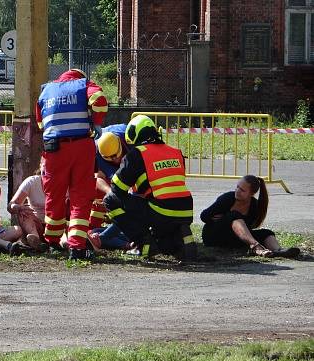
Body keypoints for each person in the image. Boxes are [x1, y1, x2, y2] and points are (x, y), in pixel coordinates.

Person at [35, 68, 108, 260]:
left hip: (53, 149)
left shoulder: (47, 90)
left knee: (54, 195)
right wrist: (97, 121)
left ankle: (52, 241)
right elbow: (99, 99)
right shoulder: (83, 85)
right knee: (81, 196)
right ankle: (76, 247)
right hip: (81, 146)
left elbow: (40, 122)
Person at [103, 115, 197, 261]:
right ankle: (180, 239)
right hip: (185, 211)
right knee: (166, 245)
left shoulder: (137, 154)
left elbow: (116, 188)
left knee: (110, 200)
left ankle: (143, 243)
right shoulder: (176, 152)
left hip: (159, 211)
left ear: (135, 135)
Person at [200, 175, 300, 258]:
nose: (237, 191)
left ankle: (278, 251)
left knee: (266, 233)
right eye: (237, 187)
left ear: (252, 193)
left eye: (242, 190)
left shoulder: (254, 206)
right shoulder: (227, 198)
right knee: (234, 215)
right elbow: (204, 216)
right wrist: (223, 219)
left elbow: (248, 228)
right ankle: (256, 247)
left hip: (234, 238)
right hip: (213, 236)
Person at [7, 162, 47, 251]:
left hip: (56, 223)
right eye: (46, 167)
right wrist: (18, 207)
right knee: (23, 211)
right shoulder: (32, 181)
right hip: (36, 224)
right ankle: (35, 239)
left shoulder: (62, 182)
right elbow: (11, 205)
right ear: (41, 166)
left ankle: (63, 242)